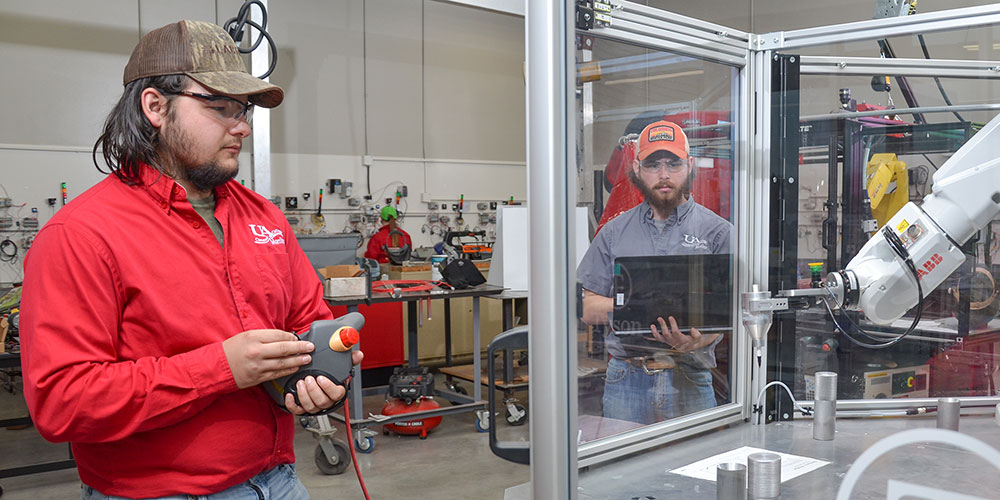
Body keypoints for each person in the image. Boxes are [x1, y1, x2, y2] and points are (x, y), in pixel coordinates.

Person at [19, 20, 362, 499]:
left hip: (279, 481)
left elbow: (309, 322)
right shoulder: (81, 235)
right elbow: (62, 402)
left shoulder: (262, 216)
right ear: (155, 106)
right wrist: (220, 368)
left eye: (242, 109)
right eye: (219, 107)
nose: (241, 125)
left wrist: (322, 372)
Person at [578, 120, 733, 424]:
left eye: (673, 164)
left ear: (689, 166)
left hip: (690, 373)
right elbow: (587, 306)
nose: (664, 175)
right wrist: (637, 307)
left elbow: (733, 309)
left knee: (695, 466)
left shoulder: (718, 233)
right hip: (627, 379)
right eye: (653, 164)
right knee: (623, 471)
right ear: (636, 168)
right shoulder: (613, 233)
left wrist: (699, 340)